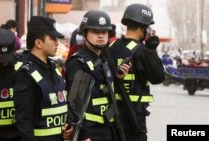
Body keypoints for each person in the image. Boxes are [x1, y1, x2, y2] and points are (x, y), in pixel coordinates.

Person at [65, 10, 130, 141]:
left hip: (109, 128)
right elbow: (75, 103)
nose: (101, 36)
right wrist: (84, 135)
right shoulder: (78, 61)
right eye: (95, 32)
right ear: (84, 33)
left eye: (104, 32)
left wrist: (118, 78)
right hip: (91, 132)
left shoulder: (104, 60)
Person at [108, 3, 165, 141]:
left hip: (112, 115)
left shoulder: (110, 47)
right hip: (134, 117)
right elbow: (158, 77)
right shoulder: (143, 51)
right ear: (143, 27)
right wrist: (152, 49)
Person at [13, 16, 72, 141]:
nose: (57, 43)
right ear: (38, 43)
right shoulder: (26, 73)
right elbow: (24, 120)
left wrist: (68, 126)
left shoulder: (53, 67)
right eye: (52, 39)